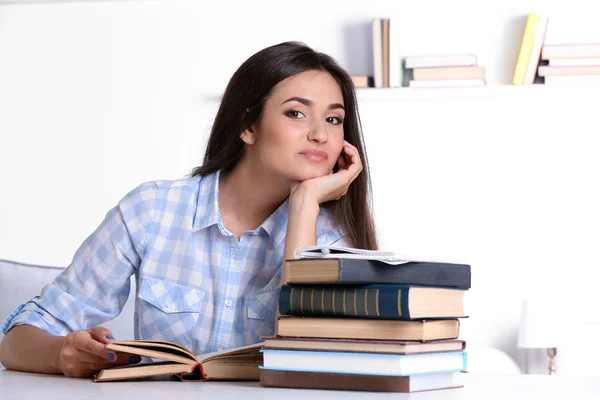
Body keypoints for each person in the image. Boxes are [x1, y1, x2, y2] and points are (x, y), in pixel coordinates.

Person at [0, 41, 377, 378]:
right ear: (248, 124)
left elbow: (309, 362)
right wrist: (65, 355)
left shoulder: (330, 238)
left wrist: (305, 204)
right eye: (297, 113)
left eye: (334, 119)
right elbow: (16, 342)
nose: (321, 134)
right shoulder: (153, 210)